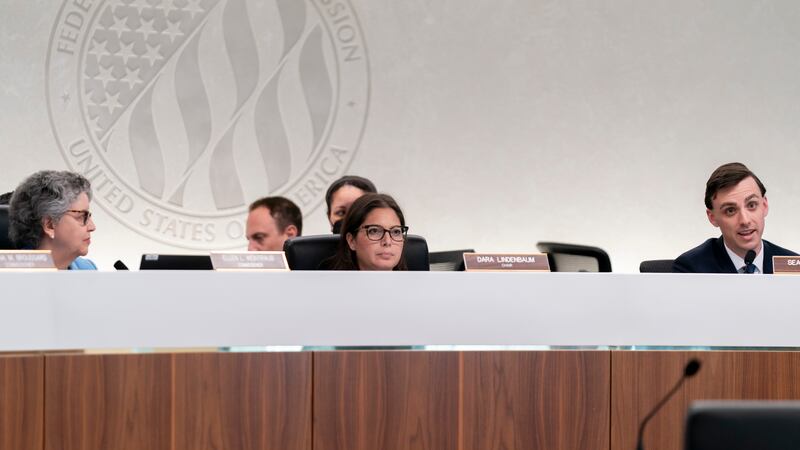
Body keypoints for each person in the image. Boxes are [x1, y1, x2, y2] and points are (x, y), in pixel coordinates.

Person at [673, 162, 797, 273]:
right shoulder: (691, 269)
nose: (745, 221)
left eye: (751, 205)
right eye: (730, 210)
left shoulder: (795, 267)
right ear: (712, 217)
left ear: (764, 206)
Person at [8, 170, 97, 270]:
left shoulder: (87, 268)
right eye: (81, 216)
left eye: (88, 216)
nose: (92, 227)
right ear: (49, 225)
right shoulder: (9, 272)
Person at [327, 193, 408, 271]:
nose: (387, 241)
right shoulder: (327, 280)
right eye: (374, 231)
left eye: (396, 232)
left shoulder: (414, 280)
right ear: (351, 240)